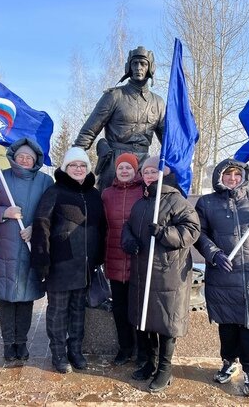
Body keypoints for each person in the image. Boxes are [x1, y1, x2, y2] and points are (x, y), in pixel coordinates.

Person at [193, 159, 249, 398]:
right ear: (219, 177)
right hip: (224, 273)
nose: (232, 178)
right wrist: (214, 254)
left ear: (243, 177)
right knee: (228, 324)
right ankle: (228, 361)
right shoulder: (207, 203)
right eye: (227, 174)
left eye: (236, 174)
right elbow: (199, 234)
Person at [121, 156, 200, 393]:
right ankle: (149, 362)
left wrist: (165, 233)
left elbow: (191, 231)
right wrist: (128, 240)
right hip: (142, 271)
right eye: (146, 172)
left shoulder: (177, 201)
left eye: (154, 171)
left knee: (166, 324)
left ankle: (165, 370)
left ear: (164, 173)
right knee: (145, 320)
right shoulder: (141, 202)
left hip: (168, 274)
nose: (149, 176)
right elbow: (129, 226)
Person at [31, 147, 107, 374]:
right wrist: (42, 260)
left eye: (82, 165)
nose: (78, 169)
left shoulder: (94, 195)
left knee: (78, 311)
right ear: (66, 168)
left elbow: (102, 227)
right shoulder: (55, 192)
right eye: (73, 165)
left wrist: (99, 256)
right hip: (60, 264)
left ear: (87, 168)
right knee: (58, 311)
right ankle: (58, 353)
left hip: (84, 265)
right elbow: (42, 224)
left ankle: (75, 350)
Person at [0, 138, 54, 363]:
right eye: (21, 156)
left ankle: (21, 342)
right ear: (14, 157)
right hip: (4, 248)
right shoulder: (1, 178)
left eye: (28, 157)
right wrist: (4, 212)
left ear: (35, 160)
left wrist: (36, 228)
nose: (24, 159)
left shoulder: (45, 181)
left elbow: (51, 210)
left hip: (31, 247)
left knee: (26, 298)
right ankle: (8, 343)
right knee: (6, 298)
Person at [73, 46, 165, 191]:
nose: (138, 67)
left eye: (143, 63)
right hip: (115, 161)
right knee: (108, 204)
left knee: (144, 206)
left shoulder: (158, 102)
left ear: (150, 67)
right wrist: (75, 158)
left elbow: (167, 141)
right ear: (128, 66)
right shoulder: (114, 95)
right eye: (135, 63)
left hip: (143, 163)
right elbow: (89, 130)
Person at [101, 152, 144, 367]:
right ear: (116, 171)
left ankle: (142, 349)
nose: (125, 171)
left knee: (138, 307)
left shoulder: (144, 190)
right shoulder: (107, 194)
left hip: (139, 258)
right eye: (121, 168)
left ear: (135, 170)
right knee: (119, 307)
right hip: (114, 256)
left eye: (129, 167)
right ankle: (125, 347)